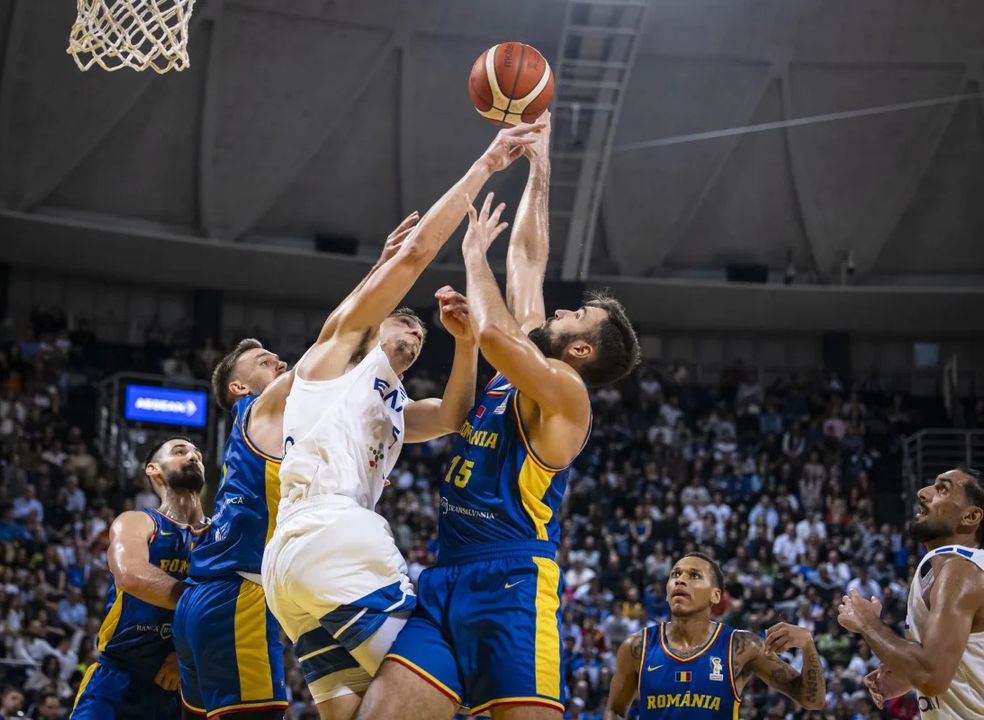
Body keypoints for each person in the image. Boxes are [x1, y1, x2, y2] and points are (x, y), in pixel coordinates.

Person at [359, 113, 640, 720]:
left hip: (512, 583)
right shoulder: (530, 359)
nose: (558, 311)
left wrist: (471, 255)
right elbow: (529, 257)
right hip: (446, 575)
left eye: (574, 318)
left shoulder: (565, 392)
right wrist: (541, 168)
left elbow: (491, 332)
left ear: (580, 351)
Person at [263, 120, 546, 720]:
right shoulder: (336, 352)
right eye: (405, 321)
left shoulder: (390, 404)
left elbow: (453, 416)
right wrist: (488, 164)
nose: (417, 332)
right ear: (373, 322)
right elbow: (417, 254)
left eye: (422, 335)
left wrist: (465, 344)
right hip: (334, 536)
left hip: (292, 565)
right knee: (437, 683)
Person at [173, 212, 423, 720]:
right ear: (238, 387)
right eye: (264, 361)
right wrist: (383, 268)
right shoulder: (261, 407)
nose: (281, 363)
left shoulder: (283, 430)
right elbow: (342, 337)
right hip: (240, 590)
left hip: (216, 593)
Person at [71, 437, 209, 720]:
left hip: (187, 687)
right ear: (153, 469)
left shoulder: (219, 534)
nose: (193, 456)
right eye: (180, 451)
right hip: (119, 677)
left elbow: (240, 608)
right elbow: (131, 576)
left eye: (197, 454)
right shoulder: (138, 521)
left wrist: (186, 656)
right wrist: (208, 602)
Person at [837, 466, 984, 718]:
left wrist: (868, 623)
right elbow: (955, 658)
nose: (923, 493)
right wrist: (906, 676)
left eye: (943, 489)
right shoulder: (951, 567)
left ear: (970, 516)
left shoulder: (961, 570)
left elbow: (931, 676)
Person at [605, 553, 826, 717]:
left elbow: (812, 700)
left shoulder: (742, 646)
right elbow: (615, 710)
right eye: (675, 574)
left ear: (715, 596)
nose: (680, 580)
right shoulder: (637, 646)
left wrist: (807, 646)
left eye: (694, 575)